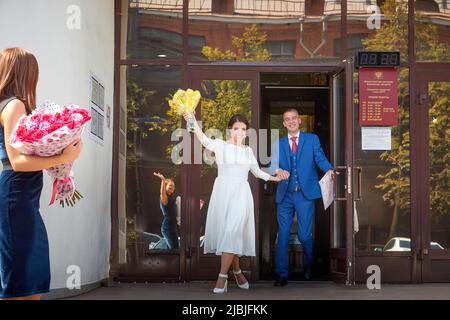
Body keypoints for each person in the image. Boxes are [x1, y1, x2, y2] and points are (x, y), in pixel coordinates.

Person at [0, 48, 83, 300]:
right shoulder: (13, 105)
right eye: (35, 73)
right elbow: (17, 162)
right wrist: (63, 157)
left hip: (21, 196)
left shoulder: (9, 104)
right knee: (21, 277)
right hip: (16, 194)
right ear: (25, 73)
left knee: (28, 275)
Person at [184, 112, 286, 294]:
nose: (240, 132)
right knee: (228, 235)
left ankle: (221, 277)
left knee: (231, 231)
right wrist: (191, 119)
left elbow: (256, 172)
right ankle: (238, 272)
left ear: (246, 132)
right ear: (230, 130)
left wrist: (274, 178)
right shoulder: (221, 146)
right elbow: (203, 139)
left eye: (243, 129)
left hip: (241, 195)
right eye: (236, 128)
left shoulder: (248, 151)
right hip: (223, 194)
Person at [268, 108, 335, 286]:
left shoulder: (311, 139)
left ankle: (308, 265)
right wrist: (277, 170)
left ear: (299, 121)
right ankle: (282, 275)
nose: (290, 121)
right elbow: (271, 165)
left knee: (305, 235)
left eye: (293, 118)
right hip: (285, 195)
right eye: (287, 119)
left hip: (305, 194)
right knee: (282, 234)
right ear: (283, 123)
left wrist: (328, 168)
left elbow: (319, 157)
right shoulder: (278, 144)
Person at [153, 172, 179, 249]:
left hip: (173, 227)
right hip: (167, 227)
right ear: (165, 186)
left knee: (174, 249)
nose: (172, 187)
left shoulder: (171, 198)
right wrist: (163, 180)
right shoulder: (164, 198)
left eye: (174, 186)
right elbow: (162, 193)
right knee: (174, 250)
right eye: (170, 185)